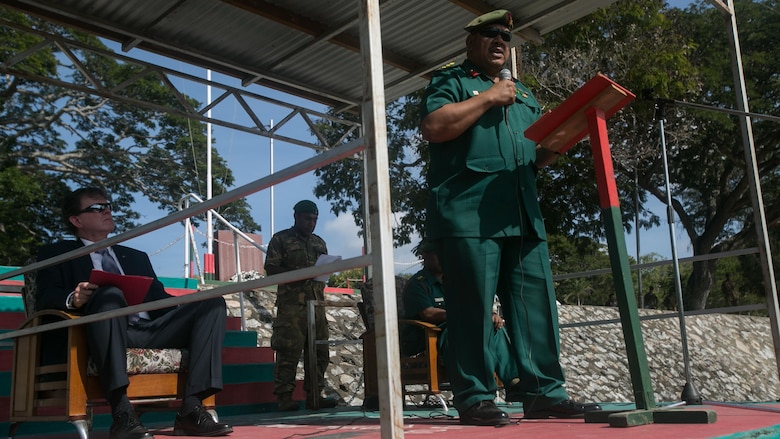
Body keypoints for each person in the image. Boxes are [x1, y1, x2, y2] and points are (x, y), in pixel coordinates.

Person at [420, 9, 601, 426]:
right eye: (490, 34)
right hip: (469, 216)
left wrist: (560, 141)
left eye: (506, 35)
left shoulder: (523, 94)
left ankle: (544, 393)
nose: (500, 40)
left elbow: (534, 153)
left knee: (535, 308)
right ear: (470, 42)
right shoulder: (452, 80)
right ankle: (476, 398)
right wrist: (488, 97)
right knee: (473, 310)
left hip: (522, 212)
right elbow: (434, 125)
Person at [36, 187, 232, 439]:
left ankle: (191, 409)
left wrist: (191, 306)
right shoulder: (57, 254)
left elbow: (162, 301)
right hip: (97, 334)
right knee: (109, 294)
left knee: (211, 304)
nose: (107, 210)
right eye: (96, 208)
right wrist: (72, 298)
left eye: (108, 205)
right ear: (76, 220)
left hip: (147, 329)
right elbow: (44, 297)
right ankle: (121, 412)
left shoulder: (135, 257)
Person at [400, 241, 522, 400]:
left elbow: (474, 305)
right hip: (432, 334)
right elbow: (428, 314)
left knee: (492, 327)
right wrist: (463, 315)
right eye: (439, 254)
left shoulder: (456, 281)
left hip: (462, 325)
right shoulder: (418, 284)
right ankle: (473, 392)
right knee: (460, 331)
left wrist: (489, 315)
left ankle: (514, 384)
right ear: (425, 256)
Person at [264, 200, 338, 411]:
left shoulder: (319, 243)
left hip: (316, 304)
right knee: (288, 353)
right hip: (291, 307)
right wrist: (298, 276)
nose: (311, 223)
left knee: (319, 352)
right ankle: (284, 397)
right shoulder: (281, 239)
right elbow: (271, 269)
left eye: (315, 219)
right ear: (296, 216)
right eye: (307, 218)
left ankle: (315, 394)